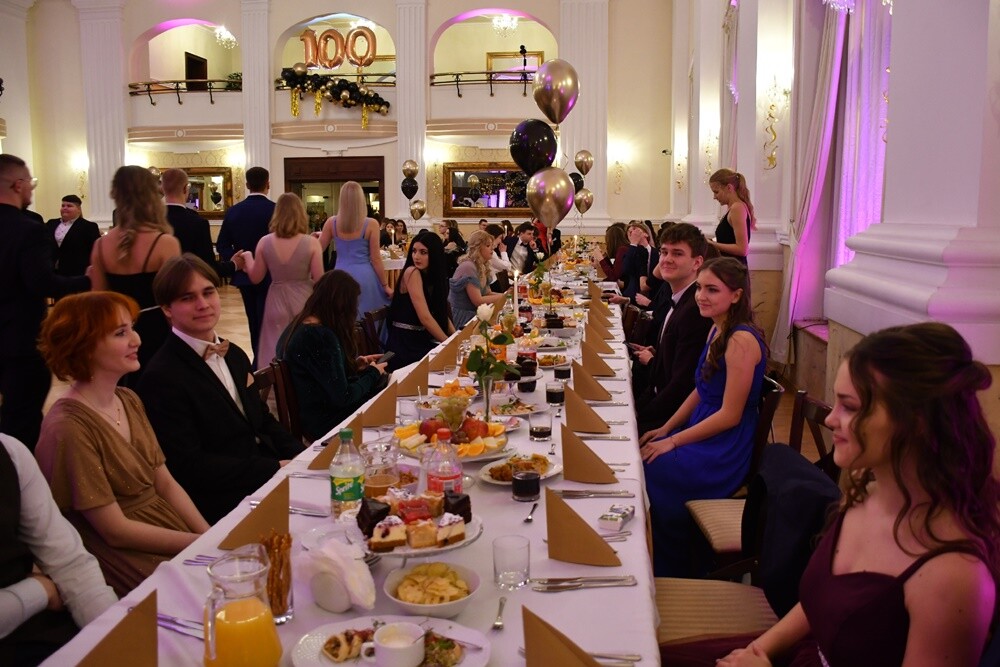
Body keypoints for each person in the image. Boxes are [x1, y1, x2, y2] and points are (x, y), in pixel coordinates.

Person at [717, 322, 999, 667]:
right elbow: (823, 599)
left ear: (915, 422)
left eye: (849, 407)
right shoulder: (864, 495)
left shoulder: (952, 575)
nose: (831, 419)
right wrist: (761, 649)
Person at [35, 292, 210, 596]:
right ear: (84, 346)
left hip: (166, 530)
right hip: (121, 555)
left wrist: (211, 535)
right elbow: (114, 531)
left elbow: (166, 483)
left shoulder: (128, 399)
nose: (137, 340)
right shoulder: (69, 427)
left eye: (132, 328)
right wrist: (201, 544)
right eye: (120, 333)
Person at [136, 255, 304, 524]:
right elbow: (189, 465)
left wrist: (301, 454)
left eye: (208, 292)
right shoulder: (161, 376)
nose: (203, 304)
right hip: (222, 501)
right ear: (167, 308)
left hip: (266, 477)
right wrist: (273, 467)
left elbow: (261, 419)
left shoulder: (234, 354)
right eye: (188, 298)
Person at [639, 257, 767, 576]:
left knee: (652, 467)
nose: (701, 296)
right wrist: (667, 428)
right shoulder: (716, 328)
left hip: (725, 445)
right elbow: (701, 389)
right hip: (704, 427)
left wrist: (673, 442)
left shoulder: (740, 339)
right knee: (647, 452)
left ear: (736, 295)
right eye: (699, 288)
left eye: (712, 290)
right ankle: (659, 555)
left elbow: (730, 415)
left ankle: (676, 566)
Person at [0, 433, 117, 666]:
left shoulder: (10, 452)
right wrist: (39, 591)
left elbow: (68, 562)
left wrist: (115, 633)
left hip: (39, 632)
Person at [0, 154, 90, 448]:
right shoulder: (28, 229)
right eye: (31, 182)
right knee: (21, 419)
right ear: (18, 185)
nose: (31, 188)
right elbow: (41, 283)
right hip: (17, 340)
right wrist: (88, 281)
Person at [89, 165, 181, 385]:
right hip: (156, 332)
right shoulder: (164, 243)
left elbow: (98, 301)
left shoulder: (101, 245)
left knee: (125, 392)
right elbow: (175, 302)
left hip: (118, 332)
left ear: (116, 196)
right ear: (153, 195)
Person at [277, 271, 389, 441]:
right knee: (387, 400)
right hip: (327, 421)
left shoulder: (298, 324)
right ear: (342, 307)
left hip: (314, 413)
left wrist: (354, 366)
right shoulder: (320, 336)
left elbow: (321, 374)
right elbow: (344, 397)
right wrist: (372, 373)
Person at [633, 224, 713, 435]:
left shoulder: (695, 310)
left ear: (697, 262)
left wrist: (640, 415)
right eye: (664, 252)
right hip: (660, 402)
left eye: (677, 253)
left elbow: (682, 386)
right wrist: (659, 355)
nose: (667, 259)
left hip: (673, 418)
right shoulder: (679, 298)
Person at [238, 192, 323, 367]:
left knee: (274, 347)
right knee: (304, 345)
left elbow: (256, 277)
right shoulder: (311, 243)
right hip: (304, 299)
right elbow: (320, 280)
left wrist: (247, 257)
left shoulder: (265, 242)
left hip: (276, 298)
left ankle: (276, 383)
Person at [216, 166, 274, 368]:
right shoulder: (275, 209)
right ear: (268, 184)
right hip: (271, 275)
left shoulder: (234, 211)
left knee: (253, 320)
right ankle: (270, 362)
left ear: (247, 185)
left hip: (245, 275)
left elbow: (222, 244)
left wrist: (236, 260)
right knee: (270, 321)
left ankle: (258, 361)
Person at [317, 181, 392, 319]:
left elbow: (317, 250)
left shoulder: (332, 222)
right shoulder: (371, 224)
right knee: (368, 320)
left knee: (342, 318)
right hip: (365, 276)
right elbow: (376, 259)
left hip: (340, 276)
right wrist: (385, 285)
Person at [385, 231, 454, 371]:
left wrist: (456, 337)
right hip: (404, 345)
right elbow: (425, 318)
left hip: (418, 340)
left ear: (434, 254)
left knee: (452, 360)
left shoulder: (430, 277)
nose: (416, 256)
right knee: (449, 361)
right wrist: (449, 344)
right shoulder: (412, 272)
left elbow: (440, 312)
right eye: (414, 251)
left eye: (423, 252)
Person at [161, 168, 234, 278]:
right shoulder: (198, 223)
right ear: (186, 189)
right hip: (188, 281)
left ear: (162, 189)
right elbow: (208, 267)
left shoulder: (151, 220)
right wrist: (234, 265)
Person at [448, 230, 507, 327]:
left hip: (477, 313)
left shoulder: (482, 265)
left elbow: (487, 293)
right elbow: (478, 301)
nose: (492, 249)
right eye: (488, 246)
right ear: (478, 247)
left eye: (492, 245)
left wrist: (507, 295)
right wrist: (505, 296)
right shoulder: (468, 266)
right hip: (464, 317)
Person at [45, 194, 100, 278]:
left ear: (78, 209)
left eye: (69, 206)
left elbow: (95, 250)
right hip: (53, 272)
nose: (65, 208)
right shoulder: (51, 223)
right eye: (63, 205)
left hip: (77, 272)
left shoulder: (88, 226)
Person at [709, 169, 756, 266]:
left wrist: (713, 244)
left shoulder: (737, 208)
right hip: (729, 267)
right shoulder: (735, 208)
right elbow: (729, 239)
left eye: (716, 192)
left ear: (729, 188)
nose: (714, 197)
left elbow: (742, 250)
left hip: (734, 269)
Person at [485, 223, 511, 292]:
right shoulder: (490, 253)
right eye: (500, 238)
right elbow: (507, 267)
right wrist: (503, 252)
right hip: (491, 283)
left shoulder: (492, 252)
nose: (500, 241)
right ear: (493, 237)